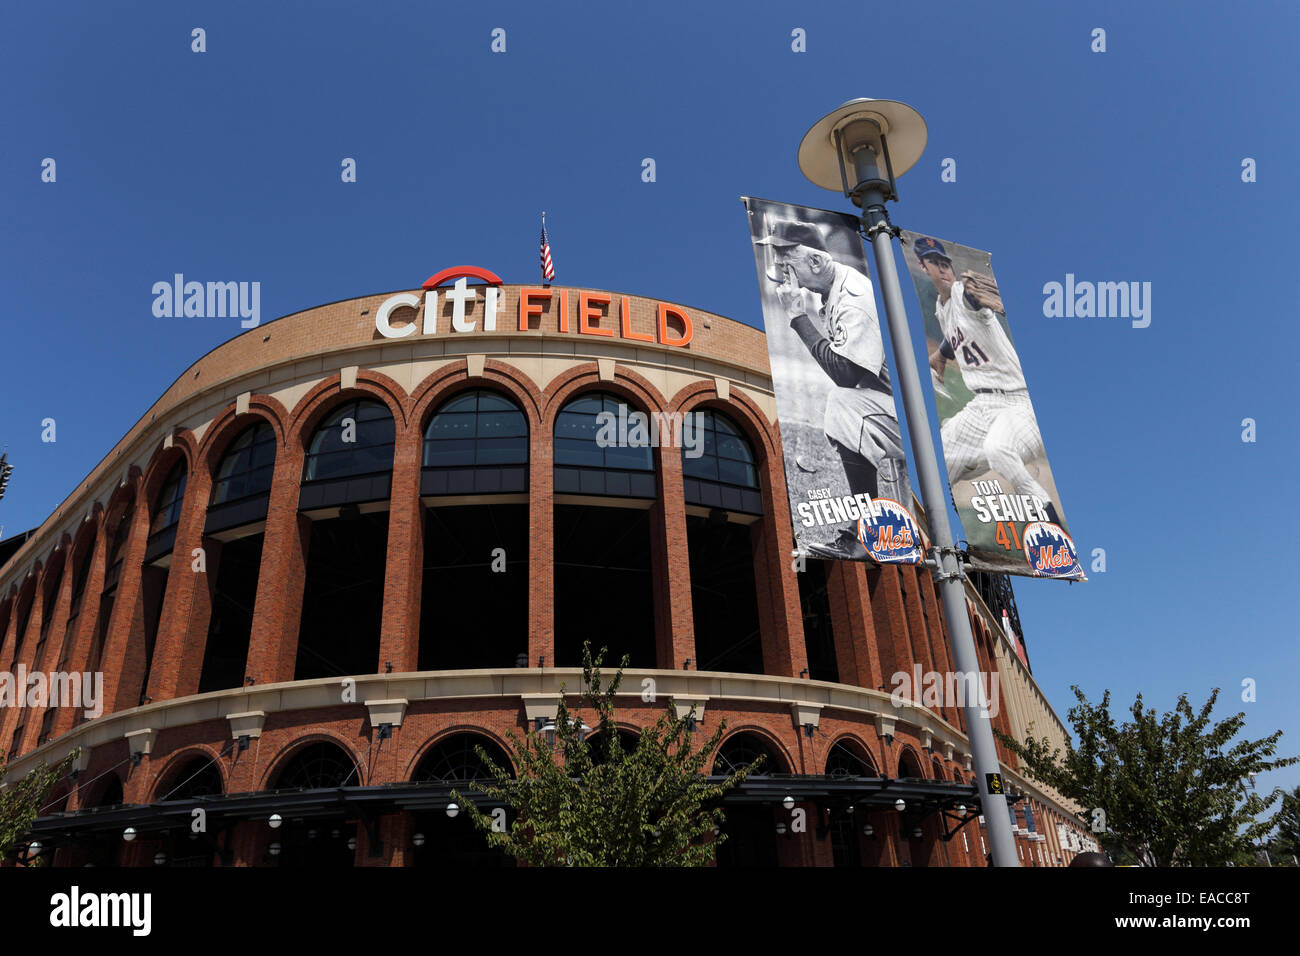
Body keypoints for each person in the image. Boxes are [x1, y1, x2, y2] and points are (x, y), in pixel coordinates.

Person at [755, 220, 908, 560]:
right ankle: (877, 531)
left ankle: (867, 536)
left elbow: (845, 374)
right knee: (847, 406)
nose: (781, 269)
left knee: (844, 404)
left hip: (910, 423)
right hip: (895, 406)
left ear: (816, 261)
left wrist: (797, 317)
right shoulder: (832, 287)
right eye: (778, 260)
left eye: (787, 260)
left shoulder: (854, 297)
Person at [914, 236, 1060, 526]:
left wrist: (977, 297)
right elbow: (953, 334)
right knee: (937, 459)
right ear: (923, 267)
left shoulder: (963, 296)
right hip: (983, 404)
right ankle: (936, 538)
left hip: (1018, 403)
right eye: (935, 263)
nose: (942, 269)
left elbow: (971, 303)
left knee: (999, 450)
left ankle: (1050, 526)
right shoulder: (941, 309)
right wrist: (941, 355)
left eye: (946, 263)